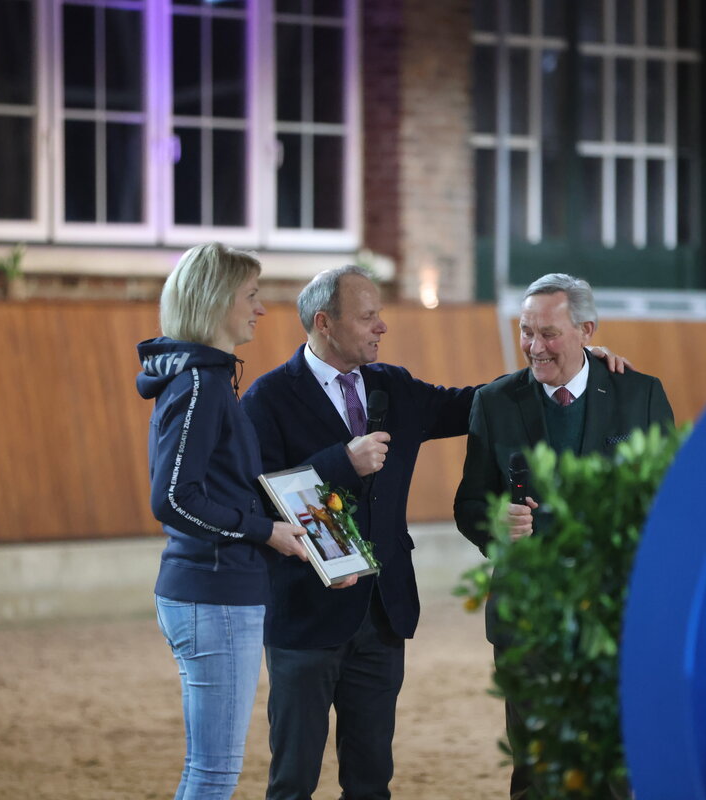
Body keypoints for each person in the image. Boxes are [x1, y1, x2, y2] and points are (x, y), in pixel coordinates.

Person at [241, 265, 630, 800]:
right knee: (293, 779)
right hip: (306, 616)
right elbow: (256, 496)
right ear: (325, 323)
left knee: (371, 780)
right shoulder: (267, 398)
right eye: (368, 317)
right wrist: (341, 462)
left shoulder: (392, 385)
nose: (382, 326)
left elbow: (478, 403)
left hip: (383, 615)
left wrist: (574, 368)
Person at [452, 272, 674, 799]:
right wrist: (495, 524)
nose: (534, 346)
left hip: (616, 616)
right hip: (528, 618)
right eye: (526, 331)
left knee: (617, 765)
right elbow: (468, 503)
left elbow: (668, 501)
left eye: (549, 334)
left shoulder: (640, 395)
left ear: (586, 331)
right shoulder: (494, 401)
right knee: (536, 770)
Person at [136, 242, 308, 800]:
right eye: (251, 295)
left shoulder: (204, 380)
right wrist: (264, 531)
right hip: (215, 594)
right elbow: (173, 499)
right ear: (215, 300)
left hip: (212, 591)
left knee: (207, 768)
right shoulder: (201, 386)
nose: (261, 308)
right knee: (213, 773)